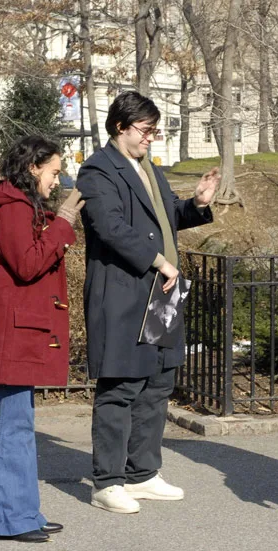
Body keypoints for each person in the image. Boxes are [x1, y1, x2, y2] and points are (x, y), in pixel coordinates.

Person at [76, 90, 219, 514]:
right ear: (121, 126)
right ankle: (107, 482)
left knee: (157, 384)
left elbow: (165, 216)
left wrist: (196, 204)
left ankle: (142, 474)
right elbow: (111, 228)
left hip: (162, 294)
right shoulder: (97, 170)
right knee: (120, 387)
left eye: (154, 131)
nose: (151, 138)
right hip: (124, 295)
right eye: (146, 130)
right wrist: (158, 261)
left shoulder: (148, 168)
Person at [0, 135, 85, 543]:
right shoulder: (12, 209)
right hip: (11, 335)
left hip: (15, 331)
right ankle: (10, 518)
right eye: (54, 171)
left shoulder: (16, 206)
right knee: (14, 425)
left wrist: (57, 221)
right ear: (33, 168)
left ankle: (24, 512)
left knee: (19, 423)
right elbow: (29, 263)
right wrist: (63, 221)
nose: (57, 179)